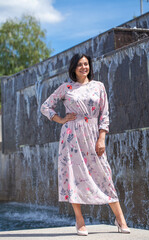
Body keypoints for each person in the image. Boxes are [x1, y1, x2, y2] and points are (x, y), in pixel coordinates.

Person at [40, 53, 130, 235]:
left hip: (93, 134)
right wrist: (61, 119)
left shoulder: (99, 86)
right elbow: (45, 107)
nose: (83, 67)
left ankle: (120, 219)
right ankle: (79, 220)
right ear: (74, 68)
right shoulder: (66, 88)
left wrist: (102, 137)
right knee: (73, 175)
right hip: (71, 136)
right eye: (80, 64)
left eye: (86, 64)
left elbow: (104, 113)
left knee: (104, 174)